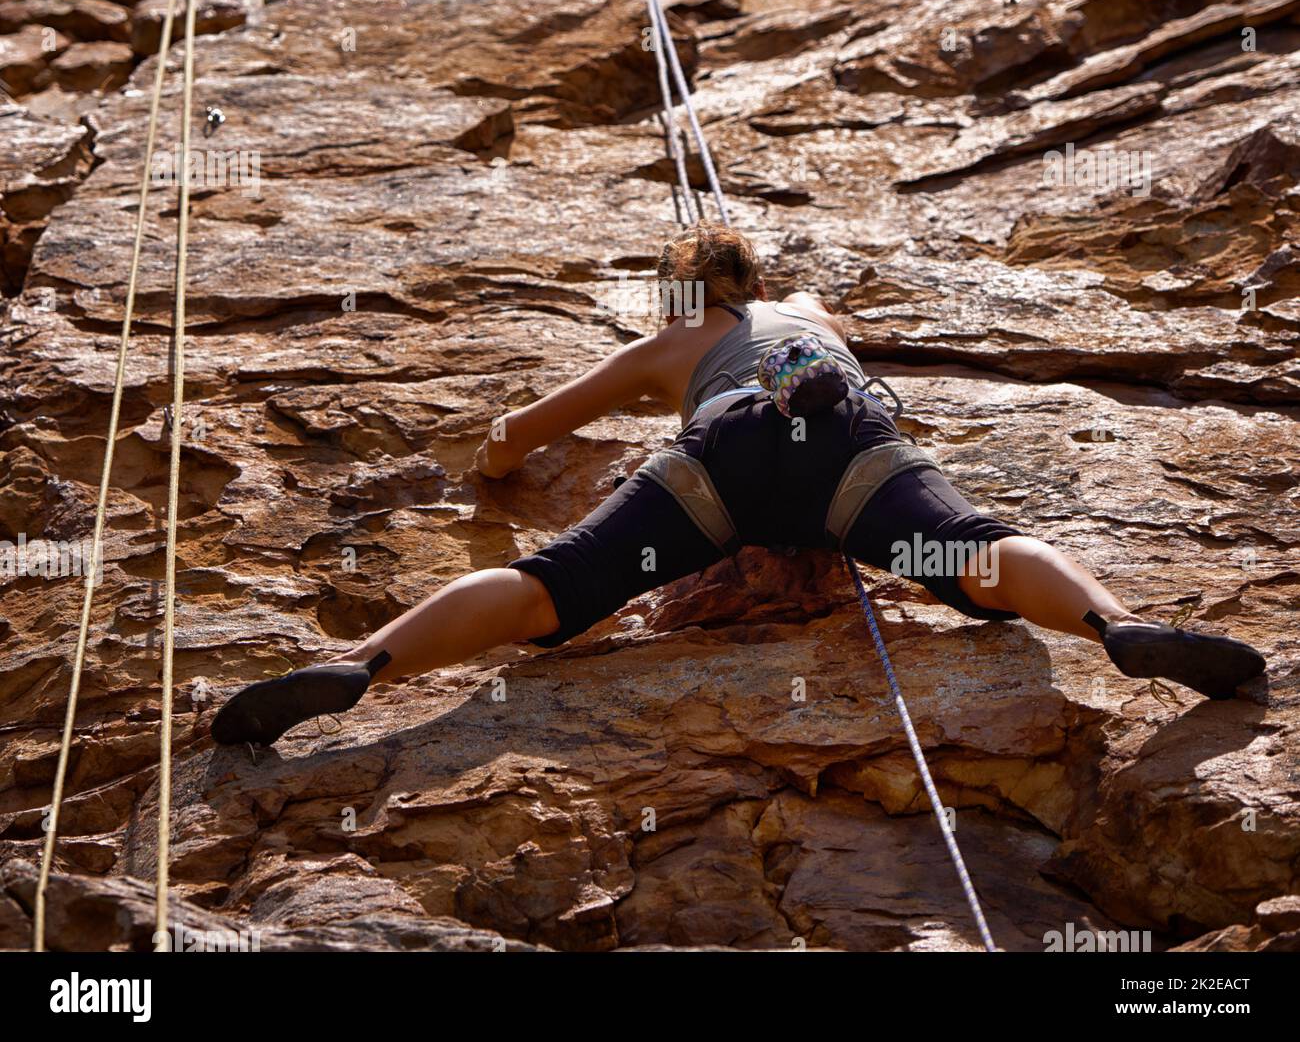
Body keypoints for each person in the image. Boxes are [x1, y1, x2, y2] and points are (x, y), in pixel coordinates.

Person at [212, 225, 1266, 747]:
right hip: (843, 458)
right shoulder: (808, 312)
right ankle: (1118, 627)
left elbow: (519, 436)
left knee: (550, 588)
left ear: (680, 295)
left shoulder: (666, 342)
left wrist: (488, 456)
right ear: (755, 284)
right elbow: (815, 358)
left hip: (720, 469)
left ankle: (361, 665)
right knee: (980, 558)